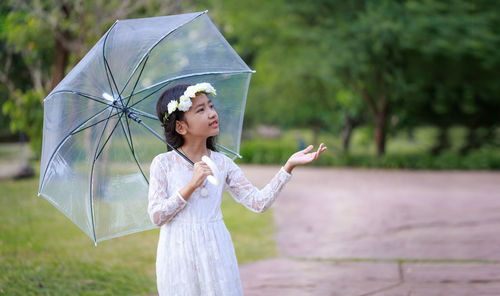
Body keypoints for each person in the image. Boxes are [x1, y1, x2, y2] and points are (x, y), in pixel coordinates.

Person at [148, 82, 327, 295]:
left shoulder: (223, 164)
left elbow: (258, 203)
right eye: (201, 110)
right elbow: (157, 216)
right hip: (177, 252)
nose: (212, 114)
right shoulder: (163, 164)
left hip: (216, 250)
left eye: (211, 106)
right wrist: (191, 185)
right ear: (180, 126)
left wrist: (287, 167)